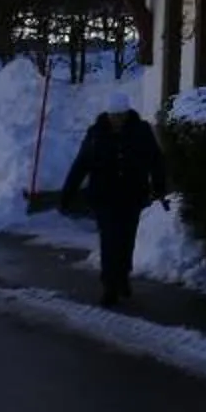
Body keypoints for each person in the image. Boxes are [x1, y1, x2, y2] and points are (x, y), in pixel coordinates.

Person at [59, 92, 168, 307]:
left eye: (120, 116)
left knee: (126, 240)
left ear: (127, 114)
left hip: (132, 195)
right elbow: (81, 164)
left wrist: (159, 187)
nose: (116, 120)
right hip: (104, 196)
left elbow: (156, 160)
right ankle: (109, 286)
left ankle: (123, 276)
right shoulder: (96, 133)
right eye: (113, 116)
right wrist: (67, 193)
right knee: (109, 240)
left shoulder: (141, 131)